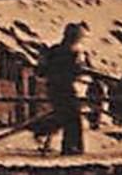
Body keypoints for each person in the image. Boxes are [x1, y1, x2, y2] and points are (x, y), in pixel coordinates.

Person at [36, 23, 86, 156]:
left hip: (54, 88)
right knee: (71, 117)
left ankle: (68, 146)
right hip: (64, 88)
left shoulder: (54, 50)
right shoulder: (70, 53)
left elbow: (41, 71)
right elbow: (75, 72)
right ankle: (71, 147)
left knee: (65, 116)